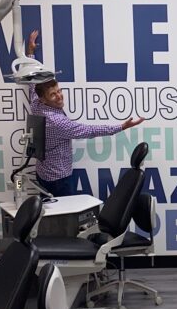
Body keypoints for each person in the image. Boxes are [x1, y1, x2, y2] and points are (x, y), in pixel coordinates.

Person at [25, 30, 144, 197]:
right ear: (44, 99)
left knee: (50, 211)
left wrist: (30, 52)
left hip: (42, 173)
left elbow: (31, 85)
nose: (59, 96)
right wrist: (122, 126)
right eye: (53, 94)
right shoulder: (58, 122)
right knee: (66, 212)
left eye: (59, 91)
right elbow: (90, 130)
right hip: (59, 179)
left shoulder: (37, 104)